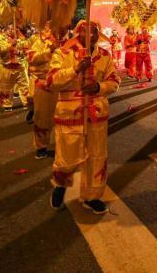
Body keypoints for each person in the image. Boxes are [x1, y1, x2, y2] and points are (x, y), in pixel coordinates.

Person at [47, 20, 120, 214]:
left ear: (98, 34)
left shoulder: (105, 55)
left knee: (97, 157)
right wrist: (76, 70)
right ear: (77, 32)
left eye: (94, 31)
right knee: (67, 156)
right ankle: (60, 185)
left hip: (96, 115)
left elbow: (114, 81)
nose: (90, 35)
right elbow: (52, 81)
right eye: (85, 31)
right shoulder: (62, 53)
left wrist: (99, 87)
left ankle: (92, 196)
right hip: (69, 114)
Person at [26, 24, 59, 159]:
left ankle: (65, 147)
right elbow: (32, 59)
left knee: (66, 118)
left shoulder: (68, 42)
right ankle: (42, 146)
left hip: (65, 85)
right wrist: (49, 51)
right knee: (43, 118)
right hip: (45, 84)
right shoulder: (38, 43)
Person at [0, 26, 29, 112]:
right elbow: (0, 50)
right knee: (6, 87)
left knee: (25, 86)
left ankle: (27, 102)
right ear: (5, 29)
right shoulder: (0, 38)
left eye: (13, 28)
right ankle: (7, 104)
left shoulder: (19, 38)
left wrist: (19, 52)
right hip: (7, 67)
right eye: (9, 28)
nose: (11, 30)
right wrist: (11, 45)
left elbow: (26, 50)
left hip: (20, 67)